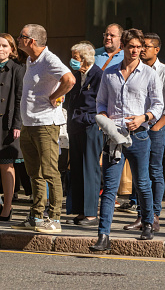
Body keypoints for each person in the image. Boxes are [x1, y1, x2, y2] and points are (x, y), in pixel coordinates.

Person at [90, 29, 163, 251]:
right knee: (110, 186)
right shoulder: (109, 73)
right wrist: (103, 116)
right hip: (114, 137)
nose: (134, 50)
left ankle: (148, 223)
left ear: (142, 48)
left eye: (138, 47)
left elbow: (158, 105)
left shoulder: (149, 74)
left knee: (142, 182)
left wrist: (144, 117)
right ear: (123, 47)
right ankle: (103, 235)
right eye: (130, 46)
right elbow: (100, 103)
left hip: (139, 134)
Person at [11, 24, 76, 233]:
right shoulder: (31, 60)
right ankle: (37, 215)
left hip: (46, 124)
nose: (17, 40)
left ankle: (55, 218)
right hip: (29, 124)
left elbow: (69, 79)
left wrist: (55, 96)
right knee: (34, 173)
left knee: (50, 171)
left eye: (21, 37)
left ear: (31, 41)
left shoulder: (49, 59)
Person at [122, 33, 165, 232]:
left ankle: (154, 214)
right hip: (136, 128)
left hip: (154, 128)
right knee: (140, 173)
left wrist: (155, 127)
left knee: (154, 171)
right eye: (140, 45)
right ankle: (142, 214)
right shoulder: (136, 70)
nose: (142, 49)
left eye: (147, 46)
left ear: (157, 50)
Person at [0, 33, 25, 221]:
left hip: (7, 124)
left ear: (11, 49)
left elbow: (20, 99)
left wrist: (17, 124)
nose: (0, 49)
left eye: (4, 46)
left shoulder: (18, 69)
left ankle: (7, 208)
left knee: (6, 165)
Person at [66, 42, 103, 226]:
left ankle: (91, 213)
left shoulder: (97, 75)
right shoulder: (76, 75)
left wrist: (90, 119)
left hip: (90, 125)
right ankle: (80, 210)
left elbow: (100, 102)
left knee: (90, 168)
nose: (72, 61)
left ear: (85, 59)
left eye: (76, 57)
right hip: (75, 125)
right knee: (77, 168)